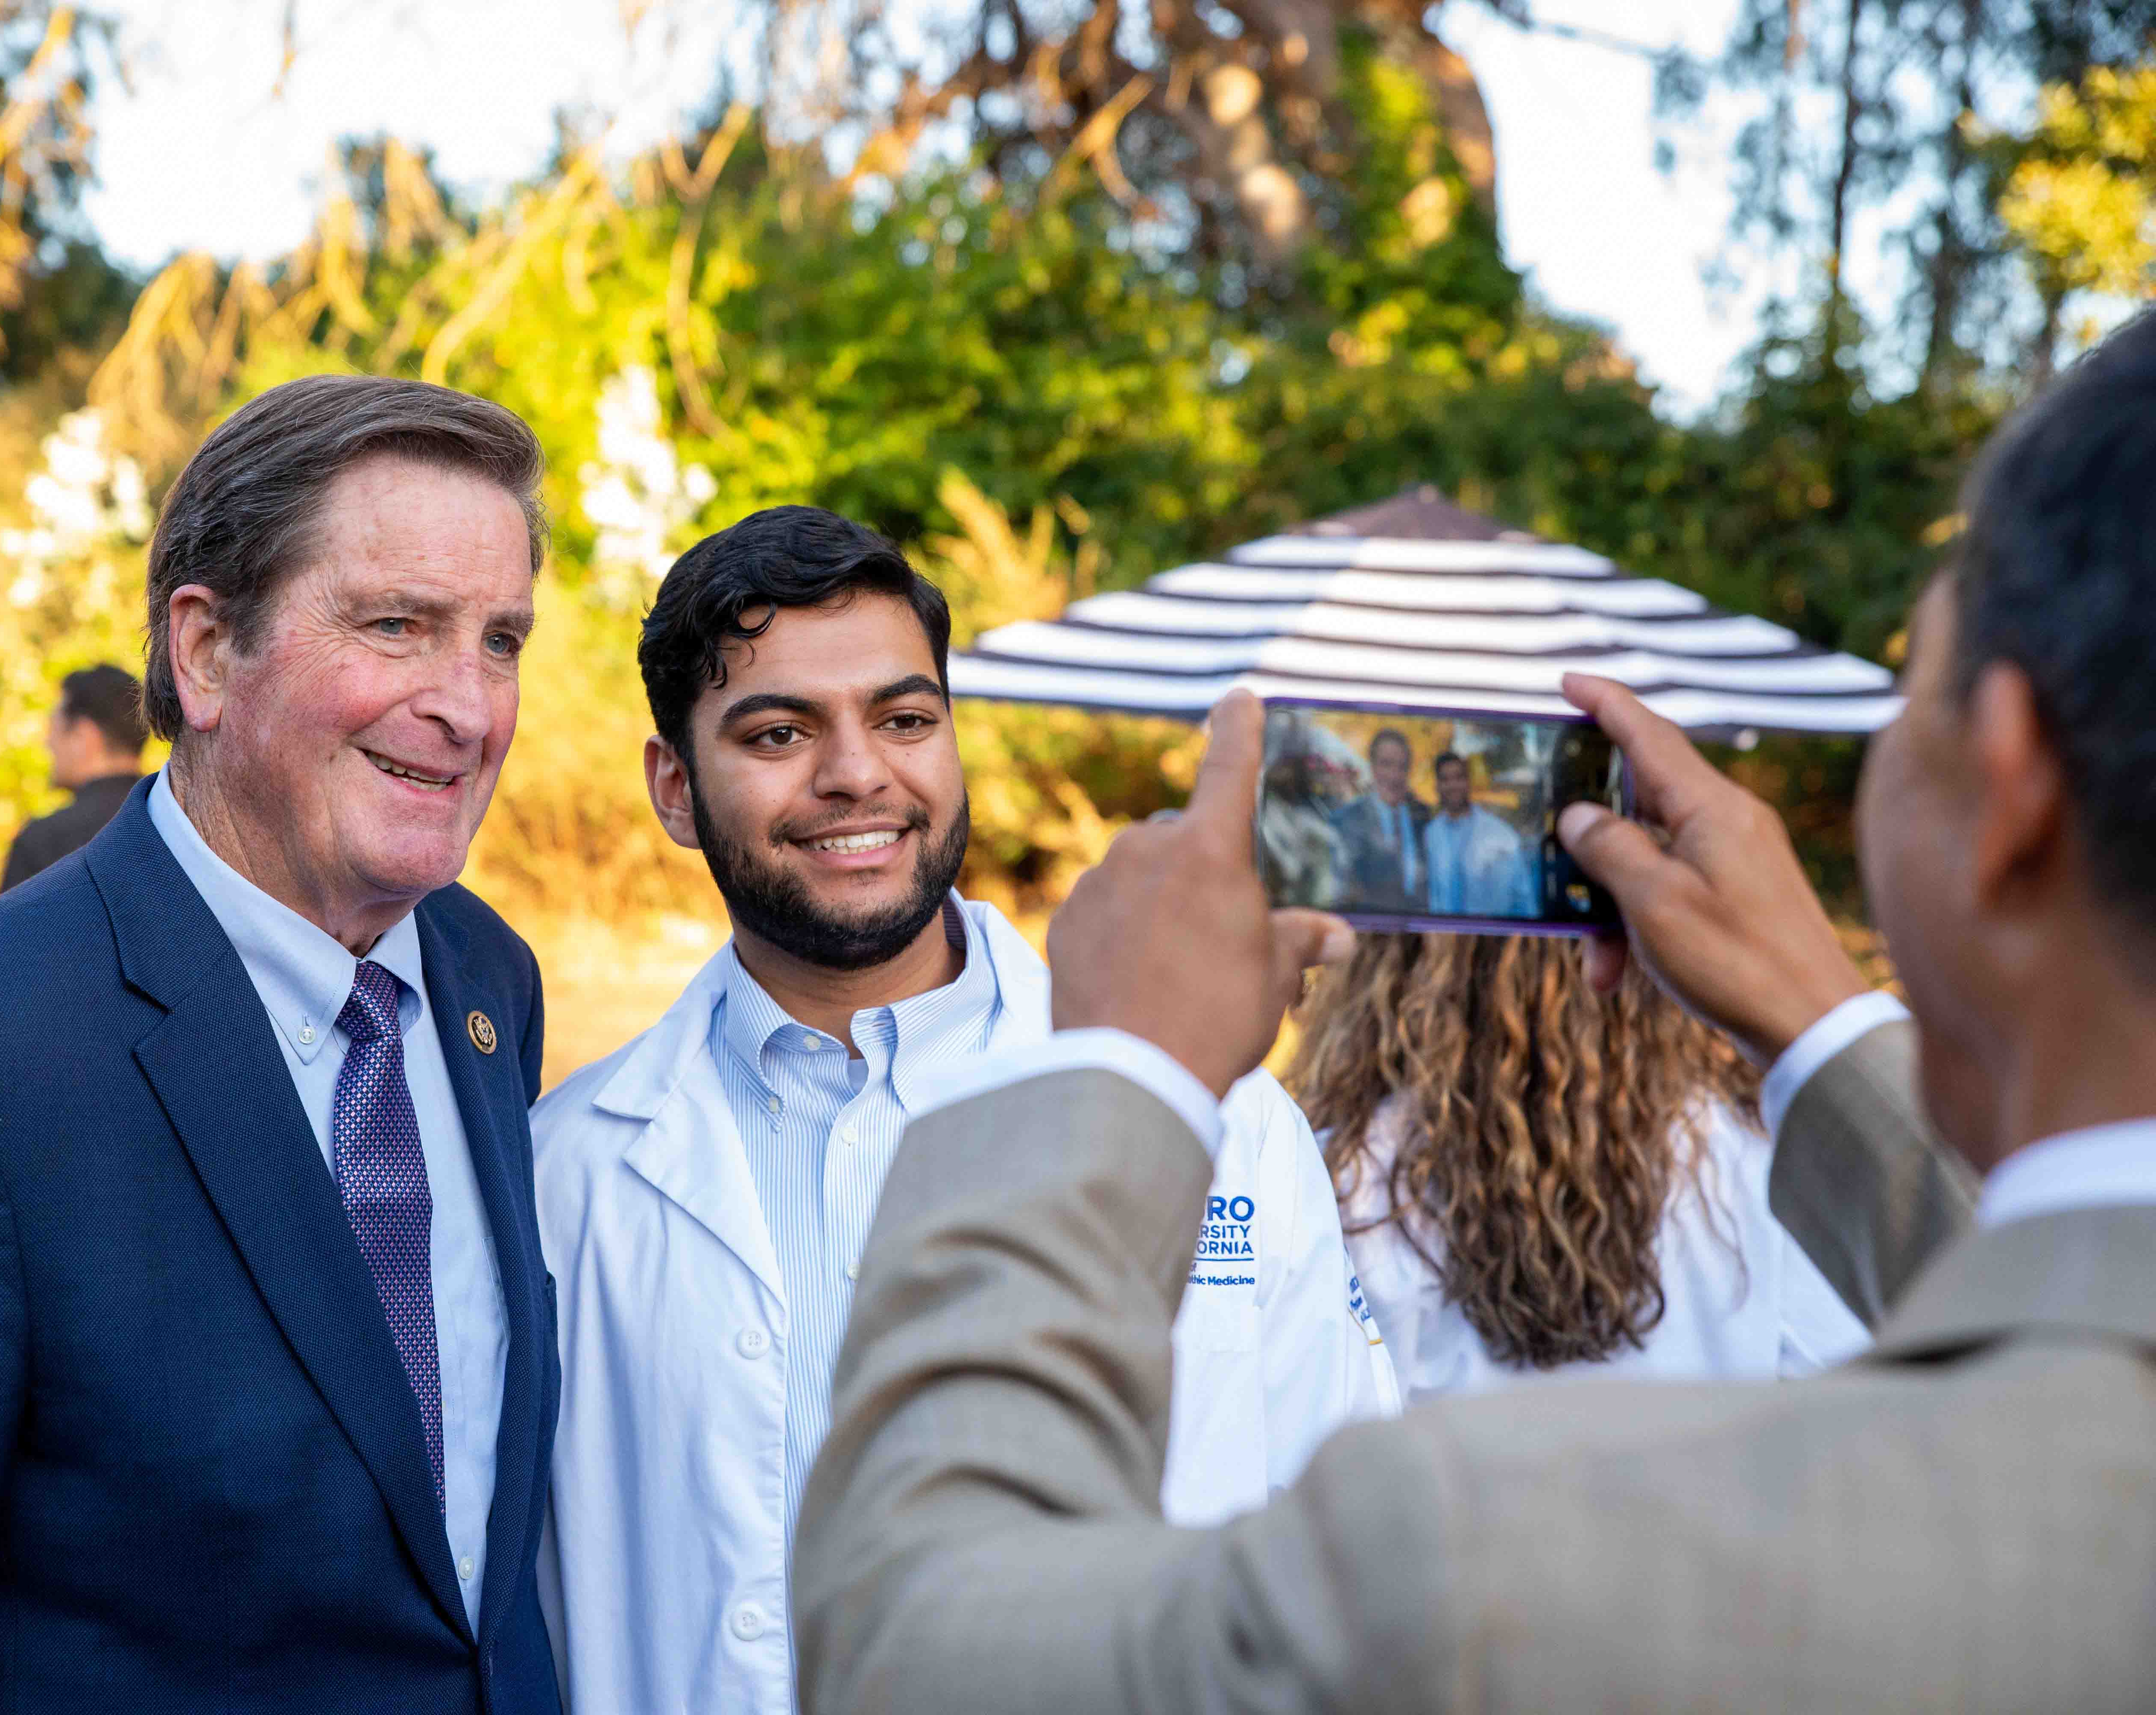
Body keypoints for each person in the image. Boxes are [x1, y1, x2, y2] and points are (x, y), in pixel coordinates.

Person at [796, 313, 2156, 1710]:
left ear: (2010, 785)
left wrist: (1117, 1068)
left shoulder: (1470, 1563)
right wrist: (1811, 1026)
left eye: (1905, 707)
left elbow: (913, 1635)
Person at [0, 376, 565, 1713]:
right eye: (398, 625)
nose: (469, 705)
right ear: (208, 651)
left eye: (500, 640)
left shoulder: (484, 979)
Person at [529, 507, 1398, 1715]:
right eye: (778, 731)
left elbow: (1341, 1545)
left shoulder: (1221, 1117)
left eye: (904, 719)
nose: (857, 773)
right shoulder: (560, 1174)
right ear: (676, 788)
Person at [1294, 932, 1869, 1404]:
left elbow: (1312, 1437)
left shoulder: (1341, 1178)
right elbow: (1849, 1408)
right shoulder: (1766, 1159)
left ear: (1393, 964)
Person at [0, 663, 150, 893]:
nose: (47, 743)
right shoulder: (182, 828)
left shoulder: (45, 842)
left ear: (83, 736)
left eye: (54, 731)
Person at [1417, 751, 1531, 916]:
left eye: (1458, 777)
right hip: (1443, 934)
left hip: (1489, 936)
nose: (1453, 786)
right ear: (1437, 786)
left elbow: (1523, 899)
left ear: (1468, 782)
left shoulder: (1500, 834)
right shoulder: (1430, 835)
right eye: (1445, 779)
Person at [1327, 727, 1428, 910]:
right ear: (1372, 766)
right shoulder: (1346, 822)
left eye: (1402, 767)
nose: (1394, 775)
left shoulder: (1424, 818)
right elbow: (1339, 894)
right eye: (1386, 764)